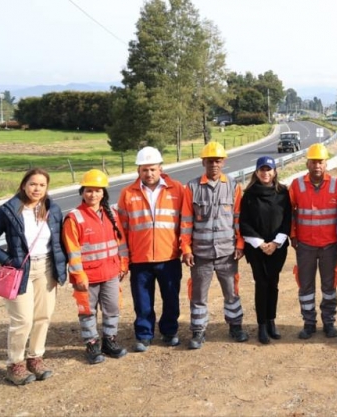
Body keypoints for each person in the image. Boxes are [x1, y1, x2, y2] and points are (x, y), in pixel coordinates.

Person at [0, 169, 67, 386]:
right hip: (19, 270)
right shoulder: (8, 210)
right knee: (22, 320)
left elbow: (58, 242)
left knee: (43, 316)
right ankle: (14, 363)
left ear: (47, 188)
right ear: (24, 185)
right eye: (33, 184)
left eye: (42, 185)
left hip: (46, 267)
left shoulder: (52, 209)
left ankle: (35, 358)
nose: (37, 189)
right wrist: (8, 260)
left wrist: (61, 268)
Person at [117, 146, 187, 352]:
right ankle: (144, 334)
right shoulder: (128, 193)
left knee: (171, 298)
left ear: (160, 168)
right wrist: (125, 258)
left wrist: (184, 248)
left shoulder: (177, 189)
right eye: (144, 169)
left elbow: (185, 222)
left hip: (169, 256)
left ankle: (170, 331)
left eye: (153, 169)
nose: (149, 174)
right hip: (140, 258)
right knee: (143, 301)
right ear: (139, 170)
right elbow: (122, 228)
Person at [181, 141, 249, 349]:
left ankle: (235, 326)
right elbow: (186, 222)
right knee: (199, 295)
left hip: (227, 253)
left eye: (218, 161)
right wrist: (186, 249)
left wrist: (240, 244)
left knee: (231, 292)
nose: (214, 165)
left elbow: (238, 218)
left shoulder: (233, 186)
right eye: (210, 161)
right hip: (201, 254)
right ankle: (198, 331)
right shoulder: (192, 187)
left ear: (223, 162)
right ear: (203, 162)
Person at [62, 170, 129, 364]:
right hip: (87, 276)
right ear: (82, 192)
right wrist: (78, 275)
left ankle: (110, 340)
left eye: (97, 191)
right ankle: (92, 344)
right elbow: (72, 251)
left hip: (110, 273)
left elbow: (121, 243)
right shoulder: (74, 218)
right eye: (89, 190)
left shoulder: (112, 215)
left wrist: (123, 264)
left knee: (112, 308)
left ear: (103, 193)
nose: (93, 195)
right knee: (87, 311)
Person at [289, 144, 337, 340]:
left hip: (330, 245)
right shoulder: (296, 185)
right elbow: (290, 213)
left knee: (329, 287)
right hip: (305, 245)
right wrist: (293, 235)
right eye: (313, 162)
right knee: (306, 286)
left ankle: (329, 322)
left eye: (320, 162)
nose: (317, 166)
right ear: (307, 164)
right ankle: (309, 323)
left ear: (326, 163)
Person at [240, 156, 292, 344]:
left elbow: (287, 220)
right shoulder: (249, 194)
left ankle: (271, 321)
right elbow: (244, 222)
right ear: (256, 172)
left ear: (275, 172)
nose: (265, 173)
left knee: (273, 284)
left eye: (269, 169)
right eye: (262, 170)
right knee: (261, 284)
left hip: (277, 247)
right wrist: (261, 244)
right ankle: (261, 325)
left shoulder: (283, 193)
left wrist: (276, 243)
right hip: (256, 249)